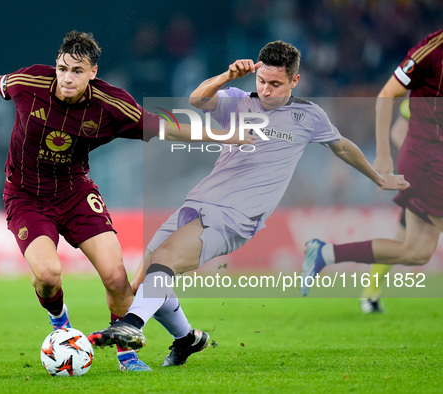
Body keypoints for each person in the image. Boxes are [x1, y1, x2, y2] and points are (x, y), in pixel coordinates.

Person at [0, 31, 249, 372]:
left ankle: (126, 356)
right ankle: (60, 324)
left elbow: (166, 128)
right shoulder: (30, 82)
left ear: (93, 73)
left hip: (75, 192)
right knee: (47, 275)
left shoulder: (111, 104)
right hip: (26, 196)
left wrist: (222, 134)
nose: (67, 77)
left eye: (76, 71)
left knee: (117, 278)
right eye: (62, 68)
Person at [87, 41, 409, 366]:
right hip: (199, 200)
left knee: (166, 260)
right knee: (144, 280)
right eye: (262, 81)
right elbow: (197, 98)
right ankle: (187, 339)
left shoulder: (308, 115)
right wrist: (227, 76)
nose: (266, 91)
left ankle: (133, 325)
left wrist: (377, 176)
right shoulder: (240, 101)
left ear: (294, 82)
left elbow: (342, 148)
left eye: (276, 84)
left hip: (236, 216)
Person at [300, 29, 443, 299]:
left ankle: (325, 253)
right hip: (427, 162)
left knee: (417, 251)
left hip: (431, 160)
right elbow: (387, 95)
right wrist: (383, 153)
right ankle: (369, 292)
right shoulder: (430, 52)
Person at [360, 98, 409, 313]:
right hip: (431, 179)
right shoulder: (425, 95)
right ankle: (370, 293)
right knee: (403, 240)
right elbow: (398, 131)